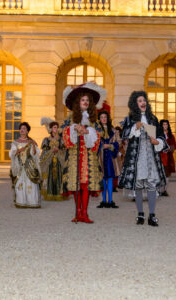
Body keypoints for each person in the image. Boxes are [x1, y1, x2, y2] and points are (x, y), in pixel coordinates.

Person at [118, 91, 168, 226]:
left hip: (151, 156)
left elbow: (161, 135)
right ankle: (140, 214)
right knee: (138, 185)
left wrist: (158, 142)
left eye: (144, 100)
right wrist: (135, 127)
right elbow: (125, 134)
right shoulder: (129, 119)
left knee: (152, 184)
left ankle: (152, 215)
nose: (143, 102)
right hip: (137, 158)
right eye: (140, 101)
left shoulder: (153, 118)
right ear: (135, 104)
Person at [62, 82, 105, 223]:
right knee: (76, 185)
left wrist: (88, 131)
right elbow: (63, 132)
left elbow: (101, 133)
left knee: (85, 184)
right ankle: (78, 212)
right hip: (75, 155)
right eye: (83, 100)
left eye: (87, 100)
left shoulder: (94, 119)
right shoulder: (70, 118)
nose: (85, 102)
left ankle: (85, 213)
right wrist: (73, 128)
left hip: (89, 157)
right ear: (78, 102)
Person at [9, 122, 42, 208]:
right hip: (19, 165)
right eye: (21, 128)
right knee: (19, 183)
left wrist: (34, 146)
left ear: (27, 131)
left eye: (24, 129)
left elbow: (35, 154)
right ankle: (21, 201)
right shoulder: (15, 142)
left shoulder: (30, 142)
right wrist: (19, 150)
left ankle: (32, 202)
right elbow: (11, 154)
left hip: (29, 165)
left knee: (30, 183)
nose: (22, 130)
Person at [96, 111, 120, 208]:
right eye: (101, 117)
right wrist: (101, 146)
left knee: (110, 178)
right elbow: (93, 143)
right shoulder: (96, 132)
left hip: (110, 158)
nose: (103, 119)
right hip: (101, 157)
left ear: (108, 118)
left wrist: (110, 145)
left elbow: (119, 142)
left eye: (105, 117)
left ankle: (110, 201)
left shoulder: (114, 131)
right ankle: (103, 200)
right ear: (99, 119)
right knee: (102, 178)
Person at [40, 118, 66, 201]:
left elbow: (64, 148)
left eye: (57, 127)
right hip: (49, 160)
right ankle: (50, 193)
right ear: (51, 129)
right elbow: (44, 148)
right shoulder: (46, 139)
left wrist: (58, 149)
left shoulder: (61, 139)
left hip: (59, 160)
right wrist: (51, 149)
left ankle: (59, 193)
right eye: (54, 127)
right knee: (49, 176)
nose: (56, 129)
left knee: (59, 176)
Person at [159, 119, 176, 196]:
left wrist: (169, 149)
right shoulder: (158, 135)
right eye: (163, 124)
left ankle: (164, 190)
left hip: (168, 157)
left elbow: (174, 146)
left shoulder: (170, 136)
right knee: (159, 174)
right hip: (159, 156)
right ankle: (159, 190)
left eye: (166, 124)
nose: (165, 126)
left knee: (166, 174)